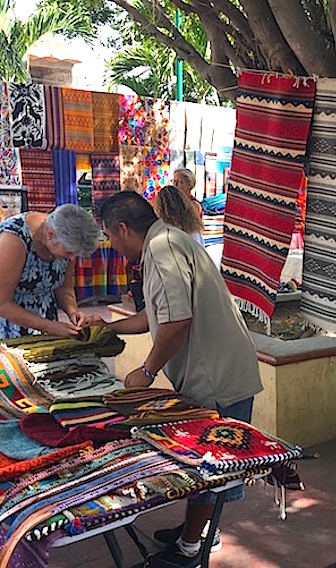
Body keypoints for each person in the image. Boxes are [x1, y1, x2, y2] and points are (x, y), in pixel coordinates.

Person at [92, 191, 262, 559]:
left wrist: (147, 370)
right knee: (205, 464)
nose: (112, 246)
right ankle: (197, 531)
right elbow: (153, 317)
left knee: (209, 466)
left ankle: (190, 548)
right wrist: (107, 327)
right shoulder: (164, 242)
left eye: (109, 236)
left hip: (216, 376)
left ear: (123, 228)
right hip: (214, 370)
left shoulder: (162, 249)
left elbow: (177, 322)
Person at [0, 204, 101, 350]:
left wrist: (73, 312)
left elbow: (64, 287)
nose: (71, 258)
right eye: (69, 252)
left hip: (39, 319)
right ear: (50, 234)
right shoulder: (14, 239)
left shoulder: (65, 242)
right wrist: (49, 326)